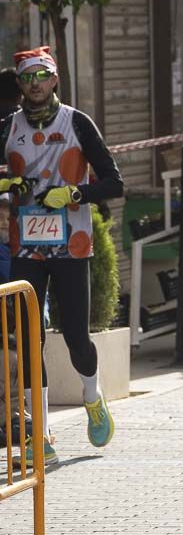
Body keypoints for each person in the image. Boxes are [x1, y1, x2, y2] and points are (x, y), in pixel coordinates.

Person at [0, 46, 122, 454]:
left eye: (42, 76)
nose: (35, 84)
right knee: (28, 338)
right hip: (26, 246)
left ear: (55, 80)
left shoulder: (77, 123)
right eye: (28, 77)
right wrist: (8, 185)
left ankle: (92, 395)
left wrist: (73, 192)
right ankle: (42, 432)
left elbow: (114, 183)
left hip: (73, 245)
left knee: (75, 337)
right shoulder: (9, 127)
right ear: (20, 83)